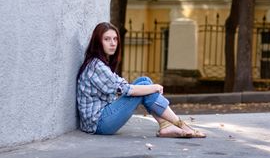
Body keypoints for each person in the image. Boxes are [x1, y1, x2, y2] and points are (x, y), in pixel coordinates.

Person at [77, 22, 205, 138]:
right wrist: (153, 87)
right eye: (107, 39)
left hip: (102, 117)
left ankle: (166, 125)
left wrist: (149, 87)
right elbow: (126, 90)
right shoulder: (96, 66)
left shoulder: (99, 63)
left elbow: (121, 85)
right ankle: (180, 124)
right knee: (145, 86)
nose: (113, 43)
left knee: (144, 81)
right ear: (98, 42)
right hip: (99, 123)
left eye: (115, 39)